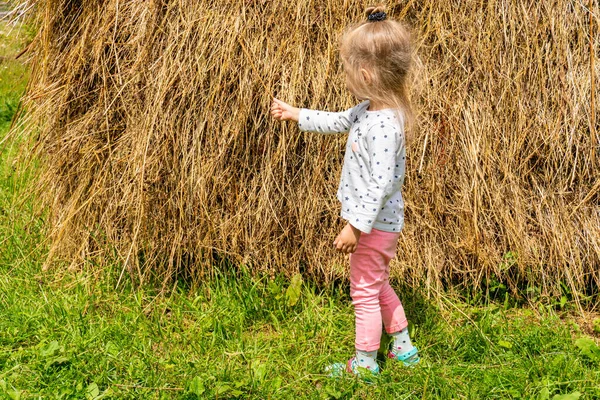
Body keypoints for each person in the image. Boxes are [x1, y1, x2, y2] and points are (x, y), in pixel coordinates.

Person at [270, 4, 419, 377]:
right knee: (378, 283)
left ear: (366, 74)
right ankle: (403, 347)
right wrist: (297, 114)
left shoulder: (384, 126)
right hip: (379, 224)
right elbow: (337, 120)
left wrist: (354, 225)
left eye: (349, 71)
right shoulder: (371, 110)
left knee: (364, 293)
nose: (346, 77)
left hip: (372, 226)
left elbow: (380, 184)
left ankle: (366, 364)